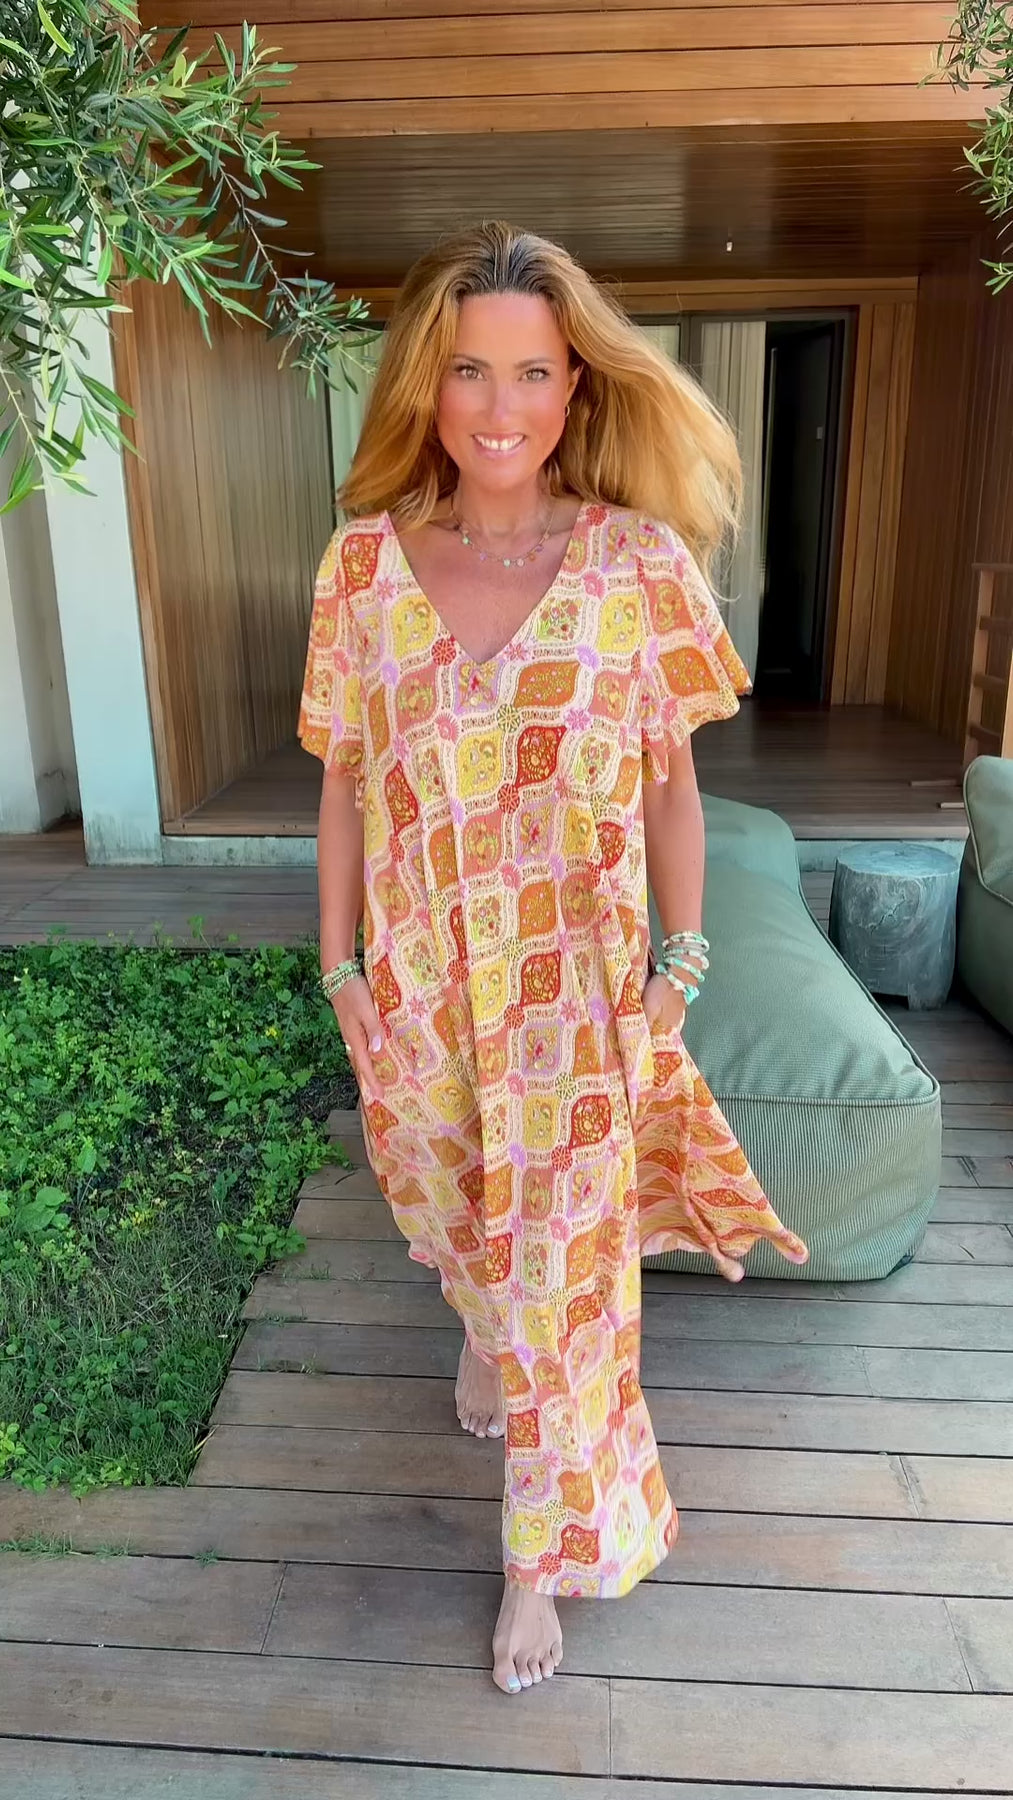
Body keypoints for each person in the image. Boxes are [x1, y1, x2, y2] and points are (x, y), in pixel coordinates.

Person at [298, 220, 808, 1698]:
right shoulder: (362, 569)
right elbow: (343, 781)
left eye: (531, 372)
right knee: (450, 1216)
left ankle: (538, 1554)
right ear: (428, 385)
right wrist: (340, 972)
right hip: (418, 995)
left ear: (575, 386)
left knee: (565, 1292)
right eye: (469, 370)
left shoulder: (637, 564)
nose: (500, 406)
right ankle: (480, 1331)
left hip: (578, 1011)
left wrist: (676, 972)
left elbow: (670, 788)